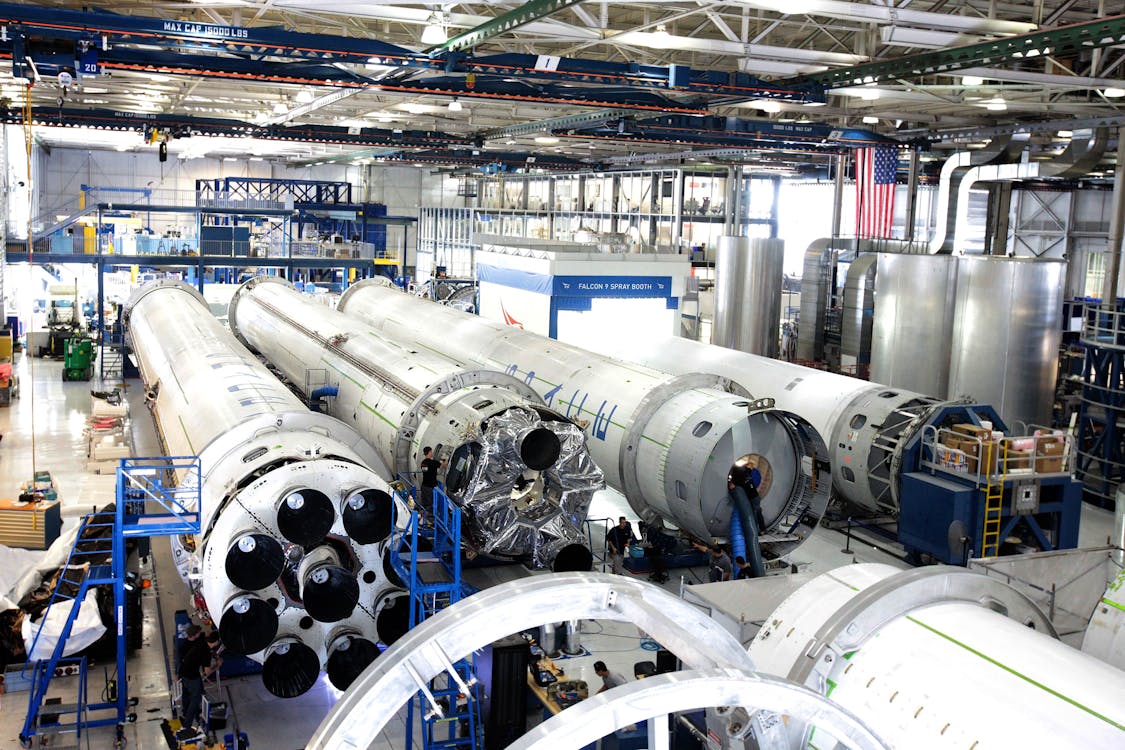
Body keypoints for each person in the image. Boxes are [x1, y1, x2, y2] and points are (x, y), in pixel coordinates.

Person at [177, 624, 217, 730]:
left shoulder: (200, 642)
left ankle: (190, 714)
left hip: (184, 672)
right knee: (196, 699)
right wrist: (217, 666)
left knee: (189, 694)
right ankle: (187, 725)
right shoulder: (206, 651)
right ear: (214, 643)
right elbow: (207, 672)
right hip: (191, 676)